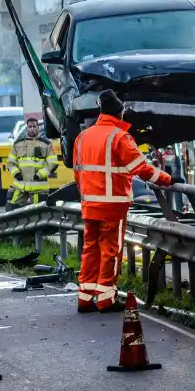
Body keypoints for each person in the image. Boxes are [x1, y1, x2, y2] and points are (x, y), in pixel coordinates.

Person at [73, 90, 171, 313]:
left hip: (90, 204)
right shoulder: (119, 137)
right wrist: (166, 179)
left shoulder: (83, 137)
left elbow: (78, 174)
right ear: (120, 113)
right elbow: (142, 168)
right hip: (112, 206)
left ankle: (85, 298)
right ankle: (106, 298)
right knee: (110, 251)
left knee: (90, 248)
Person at [6, 117, 57, 210]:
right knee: (11, 209)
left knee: (39, 213)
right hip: (20, 185)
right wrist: (16, 174)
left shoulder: (46, 144)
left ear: (38, 128)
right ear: (27, 128)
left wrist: (40, 175)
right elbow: (10, 162)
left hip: (38, 187)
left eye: (34, 126)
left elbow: (53, 163)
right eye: (30, 126)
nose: (32, 129)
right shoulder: (18, 144)